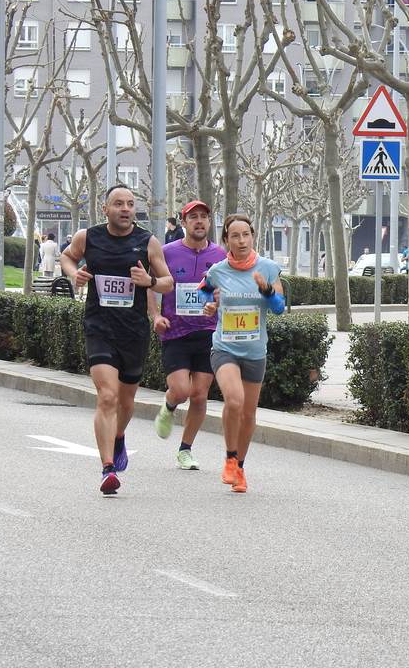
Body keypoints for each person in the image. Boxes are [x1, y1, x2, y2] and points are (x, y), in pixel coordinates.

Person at [59, 185, 174, 495]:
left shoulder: (147, 242)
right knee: (107, 396)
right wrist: (75, 273)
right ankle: (107, 468)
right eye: (119, 204)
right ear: (105, 209)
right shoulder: (88, 237)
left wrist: (148, 280)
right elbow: (67, 257)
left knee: (125, 400)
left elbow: (167, 282)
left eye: (130, 204)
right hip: (99, 328)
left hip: (133, 332)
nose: (125, 208)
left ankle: (119, 435)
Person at [199, 213, 286, 494]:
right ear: (226, 240)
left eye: (245, 234)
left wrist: (267, 291)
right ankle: (229, 458)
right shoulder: (217, 271)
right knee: (234, 401)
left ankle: (240, 467)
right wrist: (209, 306)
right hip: (224, 348)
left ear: (252, 236)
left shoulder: (268, 268)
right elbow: (204, 293)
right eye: (234, 236)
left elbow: (279, 308)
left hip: (255, 350)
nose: (241, 240)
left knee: (248, 414)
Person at [149, 200, 227, 470]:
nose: (199, 221)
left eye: (204, 217)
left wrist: (217, 301)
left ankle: (185, 449)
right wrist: (156, 316)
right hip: (176, 331)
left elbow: (225, 290)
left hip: (208, 331)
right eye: (193, 217)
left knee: (199, 394)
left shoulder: (220, 255)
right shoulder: (168, 252)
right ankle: (169, 406)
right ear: (183, 223)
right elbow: (150, 285)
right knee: (182, 390)